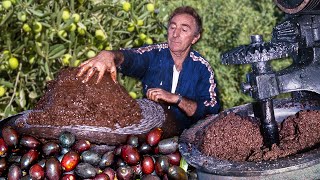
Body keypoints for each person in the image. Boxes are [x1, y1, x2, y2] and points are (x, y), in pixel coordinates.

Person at [77, 6, 220, 131]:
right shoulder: (154, 55)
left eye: (184, 29)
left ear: (195, 38)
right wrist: (109, 55)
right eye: (172, 27)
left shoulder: (202, 69)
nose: (175, 34)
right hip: (152, 137)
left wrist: (176, 99)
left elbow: (210, 110)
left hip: (186, 142)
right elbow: (132, 58)